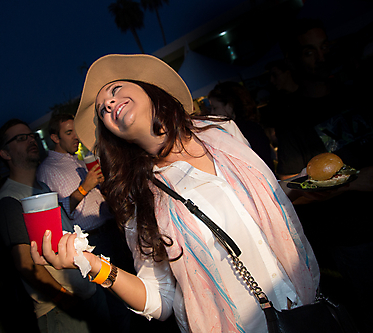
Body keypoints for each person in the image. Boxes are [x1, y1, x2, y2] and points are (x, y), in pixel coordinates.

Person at [31, 54, 319, 333]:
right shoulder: (139, 196)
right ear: (112, 134)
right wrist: (93, 266)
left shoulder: (222, 131)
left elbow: (260, 200)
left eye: (115, 91)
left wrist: (309, 182)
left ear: (147, 88)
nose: (109, 104)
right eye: (103, 110)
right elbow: (160, 298)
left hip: (306, 301)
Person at [276, 18, 373, 332]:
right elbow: (291, 188)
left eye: (324, 47)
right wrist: (350, 184)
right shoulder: (293, 119)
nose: (321, 57)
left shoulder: (355, 92)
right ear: (295, 60)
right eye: (310, 52)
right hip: (354, 239)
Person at [0, 118, 110, 332]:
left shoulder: (43, 186)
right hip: (60, 308)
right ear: (5, 154)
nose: (30, 140)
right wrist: (62, 298)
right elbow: (25, 264)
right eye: (20, 138)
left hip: (86, 290)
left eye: (31, 136)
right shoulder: (10, 200)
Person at [36, 113, 133, 331]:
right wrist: (85, 186)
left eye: (76, 131)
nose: (76, 137)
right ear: (55, 137)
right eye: (69, 133)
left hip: (112, 230)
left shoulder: (79, 160)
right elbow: (64, 211)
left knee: (129, 289)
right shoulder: (48, 170)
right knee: (114, 300)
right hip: (95, 241)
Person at [207, 81, 275, 171]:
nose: (212, 113)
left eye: (215, 108)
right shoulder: (253, 127)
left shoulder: (237, 132)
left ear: (230, 106)